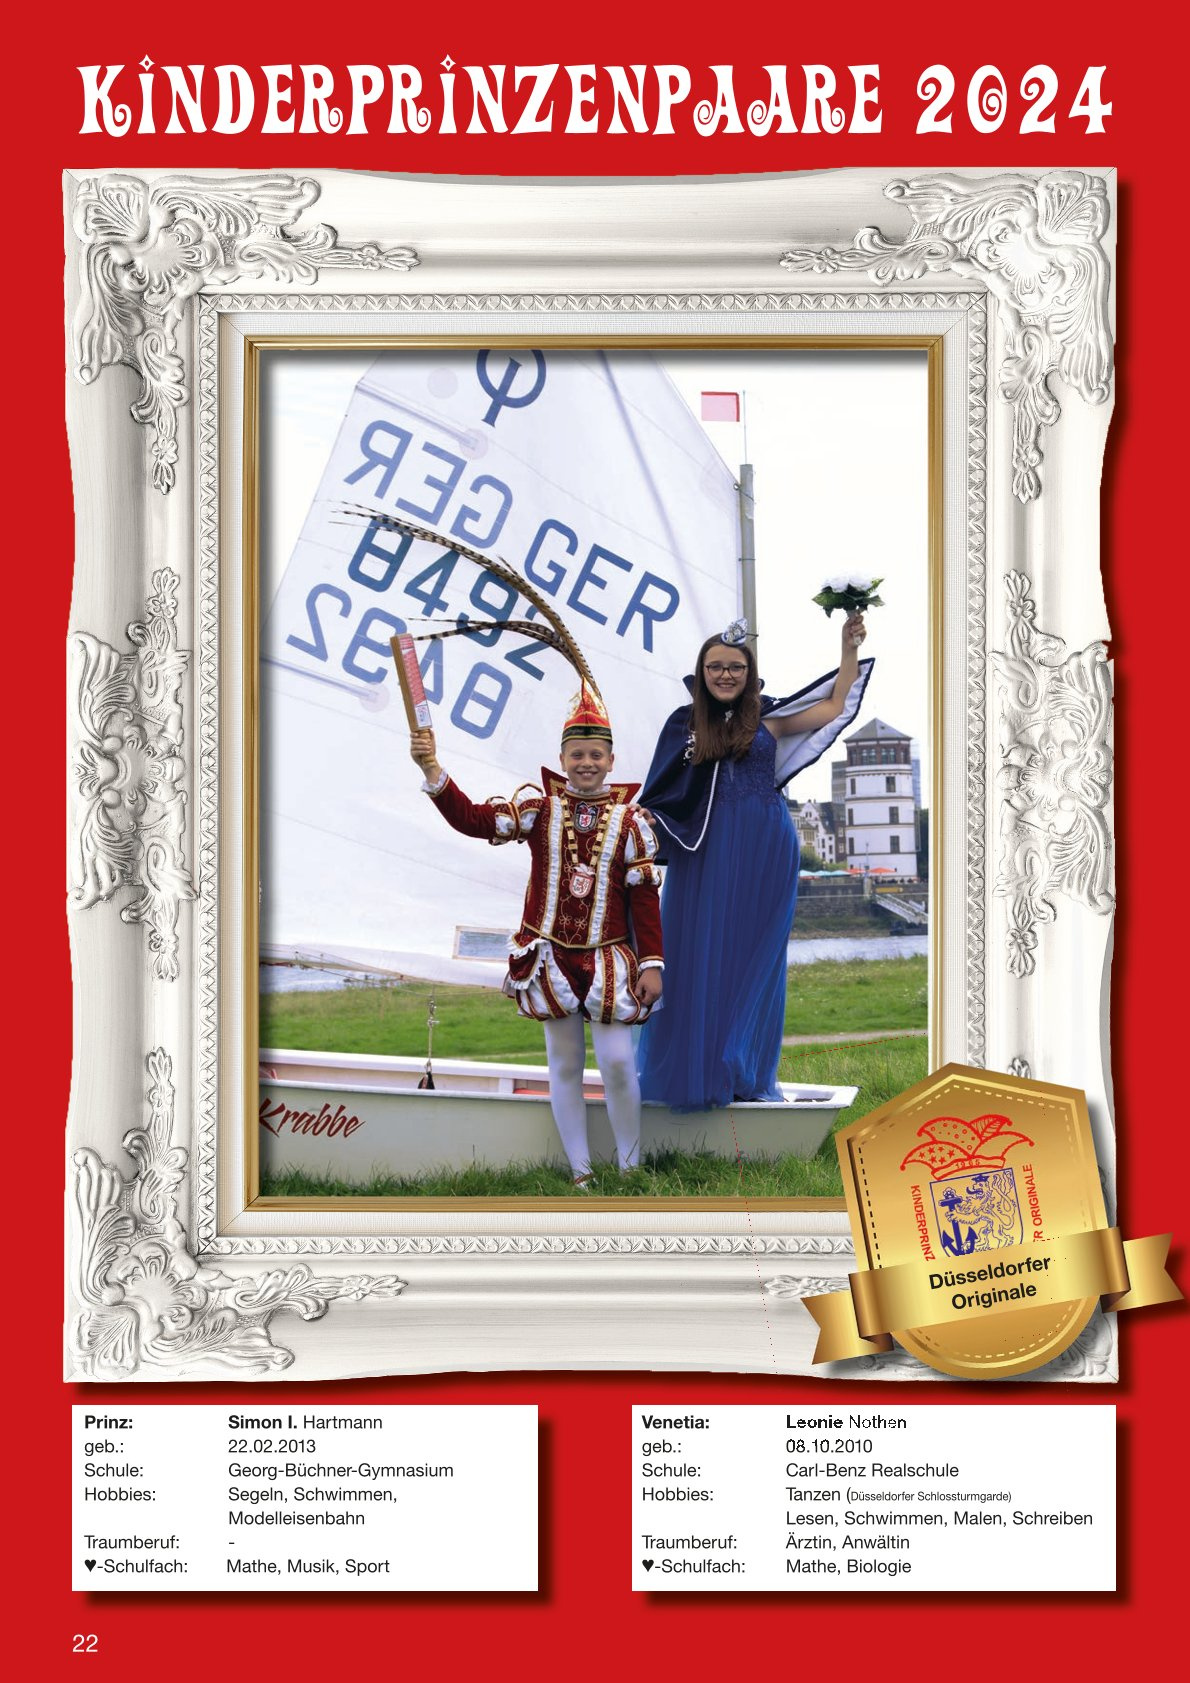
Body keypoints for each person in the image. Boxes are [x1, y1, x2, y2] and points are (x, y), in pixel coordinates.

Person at [409, 683, 664, 1187]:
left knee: (617, 1062)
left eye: (596, 755)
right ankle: (581, 1172)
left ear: (611, 761)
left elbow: (644, 898)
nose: (586, 763)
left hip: (607, 959)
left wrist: (653, 962)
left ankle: (631, 1169)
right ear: (562, 759)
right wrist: (432, 770)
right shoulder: (539, 810)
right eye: (577, 755)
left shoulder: (632, 824)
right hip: (549, 957)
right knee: (564, 1065)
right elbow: (473, 820)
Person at [637, 614, 872, 1112]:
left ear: (749, 674)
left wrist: (848, 648)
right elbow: (663, 788)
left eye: (736, 667)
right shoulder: (683, 725)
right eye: (716, 666)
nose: (726, 674)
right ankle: (702, 1071)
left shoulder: (768, 718)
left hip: (768, 844)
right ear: (702, 671)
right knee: (699, 951)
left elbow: (833, 705)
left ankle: (742, 1068)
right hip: (707, 848)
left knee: (758, 957)